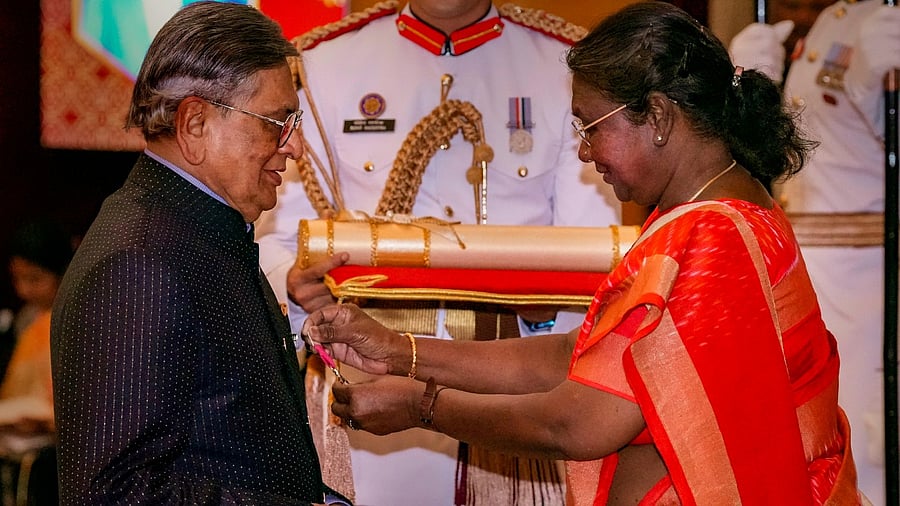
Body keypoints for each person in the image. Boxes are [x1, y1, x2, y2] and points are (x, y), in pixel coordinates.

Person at [300, 2, 868, 504]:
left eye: (591, 127)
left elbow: (578, 422)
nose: (584, 151)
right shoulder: (708, 216)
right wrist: (400, 350)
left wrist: (422, 407)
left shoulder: (712, 237)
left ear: (660, 117)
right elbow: (578, 354)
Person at [255, 1, 621, 504]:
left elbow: (593, 262)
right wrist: (298, 289)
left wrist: (544, 322)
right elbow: (276, 238)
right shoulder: (324, 64)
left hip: (506, 397)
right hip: (362, 388)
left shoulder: (562, 64)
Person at [50, 3, 350, 505]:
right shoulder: (140, 261)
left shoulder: (196, 228)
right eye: (277, 122)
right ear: (194, 124)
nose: (294, 148)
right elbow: (111, 495)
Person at [730, 3, 900, 504]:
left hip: (869, 282)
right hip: (809, 274)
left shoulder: (883, 20)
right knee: (808, 442)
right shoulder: (834, 17)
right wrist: (748, 95)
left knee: (865, 449)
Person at [0, 220, 73, 505]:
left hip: (58, 456)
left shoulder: (74, 319)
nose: (23, 290)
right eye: (17, 279)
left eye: (34, 278)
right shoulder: (27, 320)